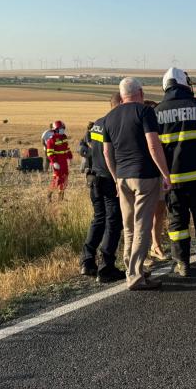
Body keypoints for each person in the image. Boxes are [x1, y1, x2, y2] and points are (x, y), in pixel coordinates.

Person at [103, 77, 171, 290]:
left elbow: (107, 152)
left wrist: (115, 178)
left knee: (129, 227)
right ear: (140, 92)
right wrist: (165, 174)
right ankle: (135, 276)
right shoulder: (145, 111)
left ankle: (131, 270)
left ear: (122, 95)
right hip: (145, 176)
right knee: (142, 226)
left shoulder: (110, 117)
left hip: (122, 177)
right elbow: (153, 145)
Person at [155, 68, 196, 276]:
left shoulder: (157, 112)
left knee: (177, 224)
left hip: (173, 181)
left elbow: (153, 147)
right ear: (184, 84)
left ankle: (182, 263)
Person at [81, 94, 125, 283]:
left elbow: (87, 147)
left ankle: (87, 261)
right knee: (113, 222)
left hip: (94, 178)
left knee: (98, 219)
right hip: (109, 180)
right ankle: (106, 268)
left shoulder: (98, 123)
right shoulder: (115, 124)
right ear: (121, 103)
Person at [141, 100, 169, 263]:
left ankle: (156, 246)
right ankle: (142, 253)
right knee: (143, 215)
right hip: (143, 176)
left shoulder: (159, 128)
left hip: (159, 174)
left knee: (159, 212)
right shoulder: (139, 128)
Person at [45, 120, 72, 197]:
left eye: (63, 128)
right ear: (56, 129)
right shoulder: (51, 139)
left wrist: (70, 157)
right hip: (57, 162)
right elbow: (49, 153)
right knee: (57, 179)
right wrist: (54, 162)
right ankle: (49, 195)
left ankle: (61, 198)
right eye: (61, 128)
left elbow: (67, 148)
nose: (62, 130)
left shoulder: (64, 137)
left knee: (65, 178)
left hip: (64, 162)